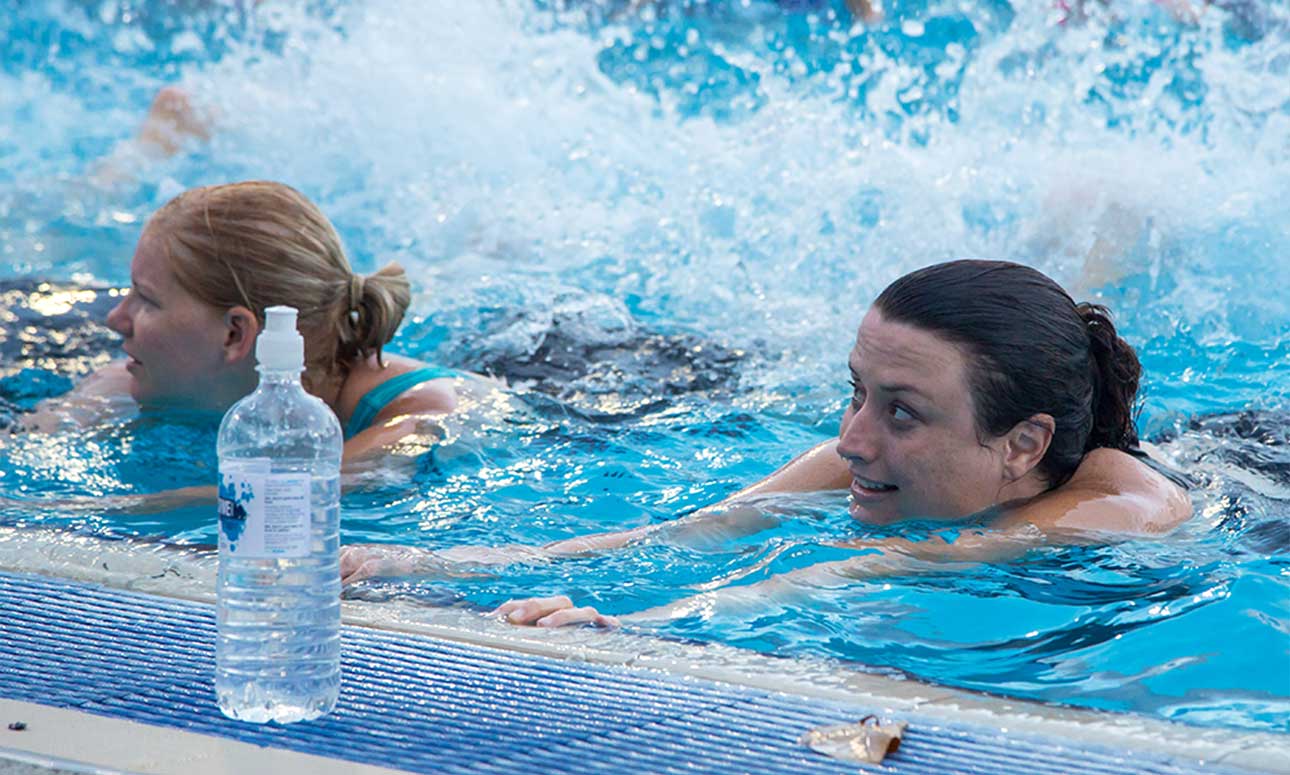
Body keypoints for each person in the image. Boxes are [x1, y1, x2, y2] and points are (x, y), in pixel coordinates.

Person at [341, 259, 1193, 627]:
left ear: (1024, 444)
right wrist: (426, 563)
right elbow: (687, 532)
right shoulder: (875, 461)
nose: (851, 440)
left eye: (901, 412)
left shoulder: (1127, 504)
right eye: (856, 392)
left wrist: (645, 624)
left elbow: (873, 567)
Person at [24, 180, 503, 474]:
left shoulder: (421, 416)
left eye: (146, 299)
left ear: (235, 333)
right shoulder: (141, 376)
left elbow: (289, 498)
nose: (115, 319)